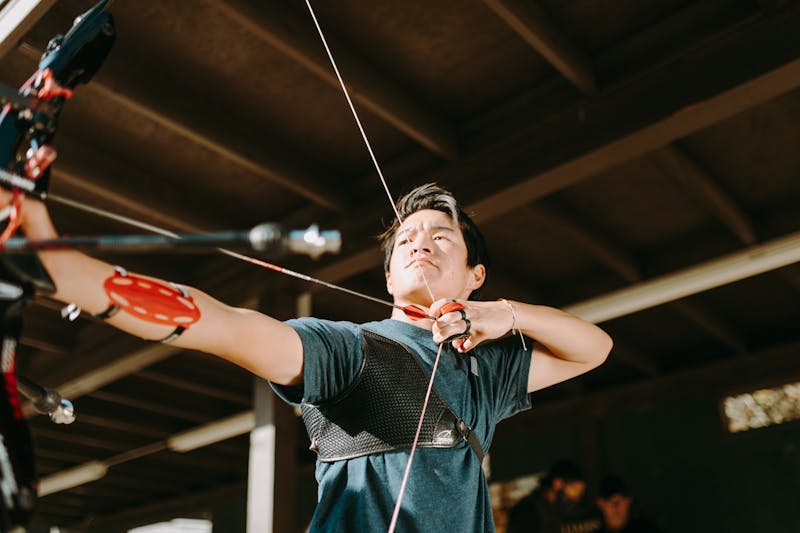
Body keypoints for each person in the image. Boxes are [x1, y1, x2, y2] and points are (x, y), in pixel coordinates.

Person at [6, 183, 613, 532]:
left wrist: (503, 315)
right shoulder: (352, 350)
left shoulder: (489, 369)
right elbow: (226, 327)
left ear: (475, 275)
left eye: (441, 238)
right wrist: (61, 272)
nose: (419, 244)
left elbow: (595, 348)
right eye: (405, 241)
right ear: (388, 278)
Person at [506, 460, 602, 533]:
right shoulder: (527, 511)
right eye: (575, 490)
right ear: (558, 483)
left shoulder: (555, 510)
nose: (576, 498)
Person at [595, 476, 663, 533]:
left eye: (620, 500)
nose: (615, 507)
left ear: (628, 501)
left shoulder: (648, 529)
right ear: (600, 504)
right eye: (610, 501)